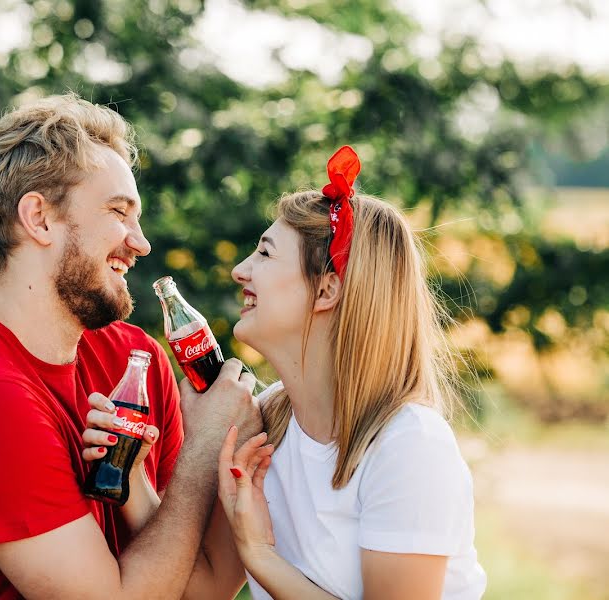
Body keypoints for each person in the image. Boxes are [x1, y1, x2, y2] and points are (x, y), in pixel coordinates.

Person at [0, 94, 260, 599]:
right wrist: (204, 446)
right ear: (38, 218)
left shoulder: (138, 360)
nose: (141, 242)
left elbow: (199, 585)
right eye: (118, 212)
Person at [83, 146, 487, 599]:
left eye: (264, 254)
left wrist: (259, 553)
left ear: (327, 289)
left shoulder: (408, 445)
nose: (240, 271)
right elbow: (202, 586)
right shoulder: (269, 420)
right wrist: (129, 472)